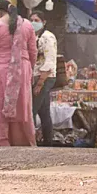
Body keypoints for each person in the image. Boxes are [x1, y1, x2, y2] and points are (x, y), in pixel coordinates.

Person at [0, 0, 38, 146]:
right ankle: (23, 142)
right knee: (21, 105)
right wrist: (29, 71)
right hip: (22, 69)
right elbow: (33, 53)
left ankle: (1, 141)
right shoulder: (27, 25)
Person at [29, 12, 57, 146]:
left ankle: (31, 140)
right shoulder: (35, 37)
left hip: (44, 77)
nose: (34, 22)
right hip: (37, 76)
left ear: (43, 22)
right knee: (44, 111)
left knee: (32, 110)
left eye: (37, 20)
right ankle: (47, 141)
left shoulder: (48, 37)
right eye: (32, 20)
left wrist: (40, 83)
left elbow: (50, 60)